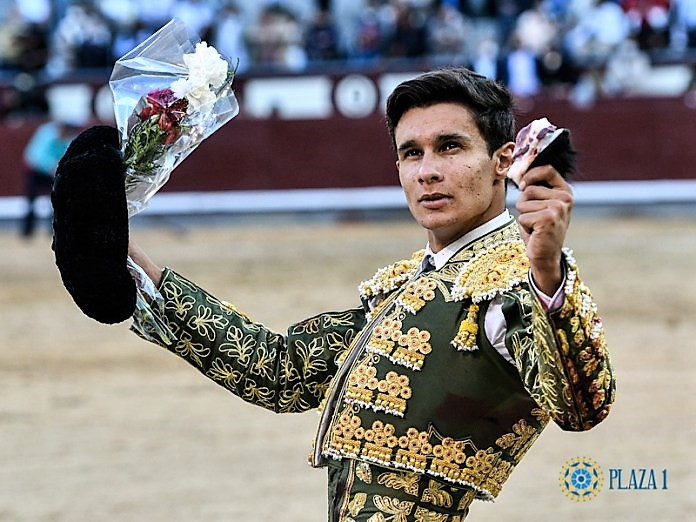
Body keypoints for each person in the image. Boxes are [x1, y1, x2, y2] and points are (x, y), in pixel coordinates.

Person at [91, 68, 616, 520]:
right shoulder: (409, 284)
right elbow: (281, 373)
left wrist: (547, 271)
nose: (427, 170)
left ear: (503, 161)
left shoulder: (514, 281)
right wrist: (127, 256)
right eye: (411, 153)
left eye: (450, 147)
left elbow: (581, 405)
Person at [21, 118, 80, 237]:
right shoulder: (46, 134)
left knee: (56, 201)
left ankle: (53, 230)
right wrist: (52, 167)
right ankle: (27, 231)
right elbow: (36, 156)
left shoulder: (68, 138)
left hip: (51, 171)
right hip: (35, 170)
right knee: (31, 201)